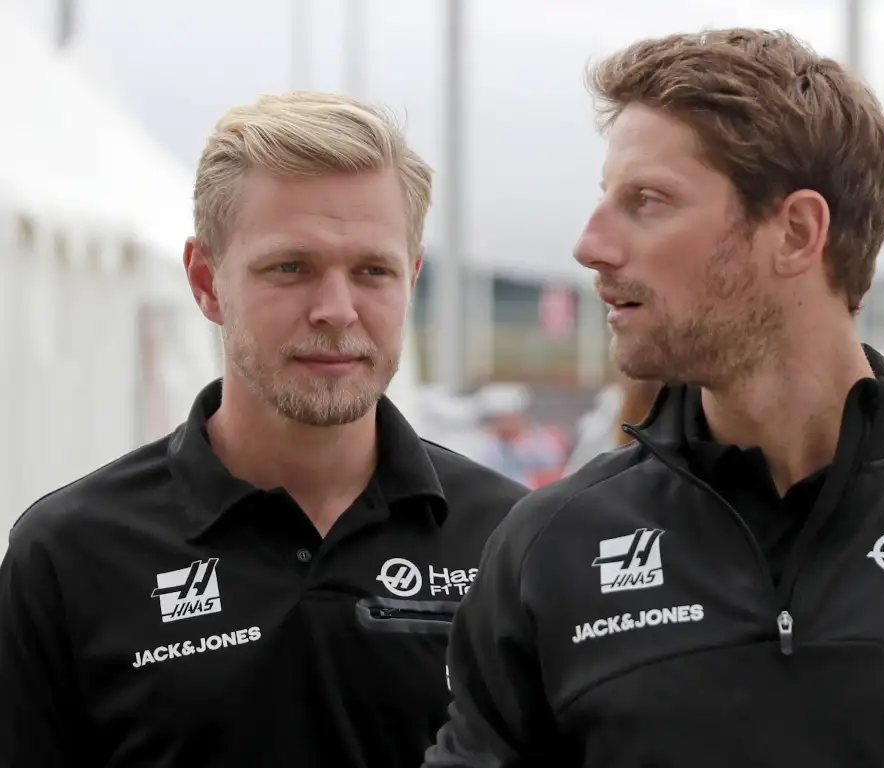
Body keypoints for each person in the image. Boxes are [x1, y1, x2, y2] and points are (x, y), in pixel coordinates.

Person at [425, 29, 884, 767]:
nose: (590, 244)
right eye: (604, 200)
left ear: (797, 232)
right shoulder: (548, 549)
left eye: (646, 200)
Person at [0, 91, 528, 767]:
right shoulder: (70, 556)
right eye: (291, 268)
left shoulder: (511, 539)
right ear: (205, 280)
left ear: (411, 276)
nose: (337, 310)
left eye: (372, 270)